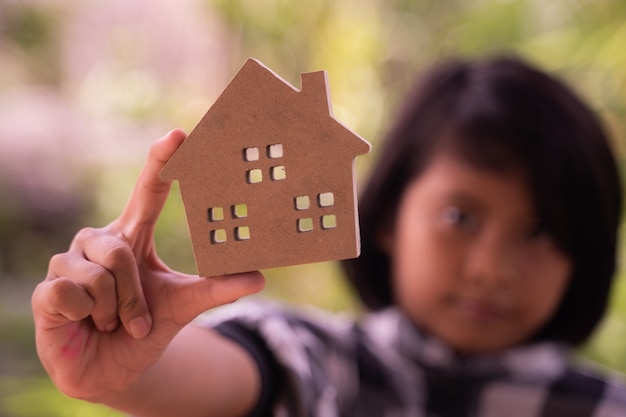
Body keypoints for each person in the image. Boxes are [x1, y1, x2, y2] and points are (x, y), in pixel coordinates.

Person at [32, 55, 626, 417]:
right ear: (391, 214)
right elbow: (246, 368)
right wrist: (134, 368)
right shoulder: (329, 365)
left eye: (541, 232)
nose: (490, 269)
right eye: (459, 218)